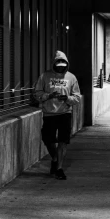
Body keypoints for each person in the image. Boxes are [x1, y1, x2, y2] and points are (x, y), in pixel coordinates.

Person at [34, 51, 81, 180]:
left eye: (63, 66)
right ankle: (55, 158)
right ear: (54, 64)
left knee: (63, 141)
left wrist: (67, 98)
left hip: (65, 113)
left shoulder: (71, 78)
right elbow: (37, 93)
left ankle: (59, 168)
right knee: (48, 140)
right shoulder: (45, 76)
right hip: (49, 113)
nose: (61, 68)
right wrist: (48, 96)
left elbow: (77, 97)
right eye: (58, 65)